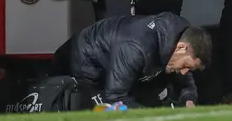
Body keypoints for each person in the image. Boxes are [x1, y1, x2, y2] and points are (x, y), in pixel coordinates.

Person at [55, 12, 212, 107]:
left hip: (119, 69)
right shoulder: (136, 47)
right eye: (186, 66)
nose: (184, 72)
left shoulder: (178, 41)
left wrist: (189, 101)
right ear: (181, 47)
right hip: (85, 64)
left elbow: (186, 83)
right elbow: (115, 99)